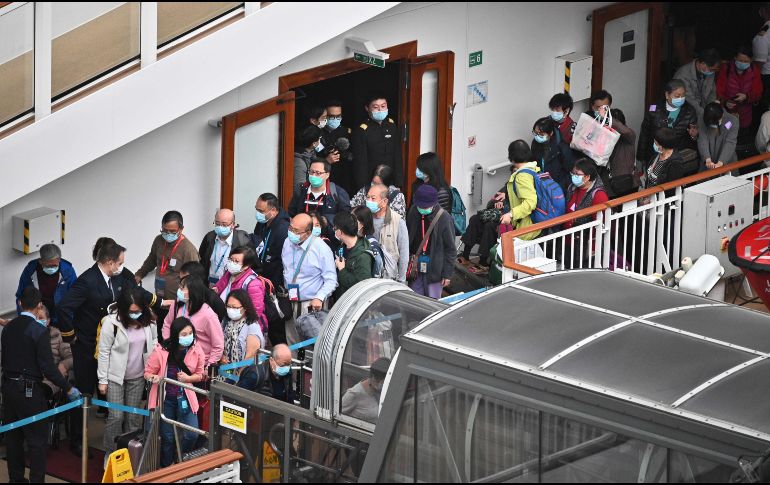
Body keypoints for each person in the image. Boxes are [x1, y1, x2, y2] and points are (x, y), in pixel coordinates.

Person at [56, 240, 146, 457]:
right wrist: (71, 336)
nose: (122, 267)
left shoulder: (118, 278)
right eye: (119, 263)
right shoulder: (87, 281)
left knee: (108, 389)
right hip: (87, 346)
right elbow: (64, 307)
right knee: (85, 393)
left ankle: (117, 436)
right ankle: (78, 439)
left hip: (110, 345)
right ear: (109, 262)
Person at [2, 287, 80, 483]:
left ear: (19, 303)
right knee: (37, 441)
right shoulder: (38, 330)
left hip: (8, 389)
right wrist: (68, 388)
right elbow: (48, 369)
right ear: (39, 306)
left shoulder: (8, 328)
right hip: (29, 392)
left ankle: (16, 479)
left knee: (13, 439)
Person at [97, 288, 158, 460]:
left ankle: (131, 454)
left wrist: (153, 369)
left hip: (138, 377)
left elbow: (154, 342)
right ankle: (111, 452)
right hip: (115, 378)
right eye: (131, 311)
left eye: (138, 311)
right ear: (123, 309)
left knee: (133, 418)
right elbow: (104, 352)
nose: (135, 314)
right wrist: (102, 380)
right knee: (116, 417)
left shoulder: (149, 321)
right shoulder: (111, 323)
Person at [145, 317, 205, 467]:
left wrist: (188, 378)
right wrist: (154, 378)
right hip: (166, 400)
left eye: (190, 333)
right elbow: (147, 372)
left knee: (192, 434)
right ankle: (167, 466)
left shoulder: (196, 349)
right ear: (175, 335)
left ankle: (179, 459)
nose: (188, 337)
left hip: (186, 397)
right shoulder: (161, 350)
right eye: (184, 334)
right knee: (168, 437)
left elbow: (200, 374)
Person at [281, 213, 338, 343]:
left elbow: (331, 280)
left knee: (311, 345)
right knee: (292, 342)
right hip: (291, 302)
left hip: (311, 305)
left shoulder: (321, 248)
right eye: (290, 228)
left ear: (308, 233)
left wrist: (319, 297)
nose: (291, 233)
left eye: (296, 231)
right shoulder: (287, 242)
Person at [134, 211, 200, 318]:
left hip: (177, 304)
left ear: (181, 229)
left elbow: (195, 279)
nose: (168, 234)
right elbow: (151, 260)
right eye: (164, 230)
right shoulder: (158, 240)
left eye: (172, 231)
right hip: (159, 300)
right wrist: (140, 274)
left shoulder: (188, 250)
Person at [406, 185, 455, 299]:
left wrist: (447, 274)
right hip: (416, 266)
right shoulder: (413, 211)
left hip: (436, 270)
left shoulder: (444, 218)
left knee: (432, 302)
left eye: (426, 206)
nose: (422, 208)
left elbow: (450, 249)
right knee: (415, 300)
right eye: (420, 206)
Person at [163, 276, 224, 367]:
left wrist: (208, 367)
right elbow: (167, 324)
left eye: (182, 288)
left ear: (193, 292)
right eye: (179, 287)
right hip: (177, 359)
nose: (179, 290)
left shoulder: (208, 315)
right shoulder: (176, 306)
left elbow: (218, 345)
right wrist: (168, 343)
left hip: (199, 364)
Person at [638, 79, 698, 168]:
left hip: (676, 158)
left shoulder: (690, 111)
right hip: (654, 155)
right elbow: (645, 132)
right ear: (667, 95)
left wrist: (694, 136)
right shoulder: (654, 107)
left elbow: (692, 139)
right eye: (677, 96)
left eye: (683, 95)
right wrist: (641, 157)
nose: (681, 98)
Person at [561, 159, 609, 268]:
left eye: (577, 174)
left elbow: (600, 223)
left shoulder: (598, 195)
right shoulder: (572, 188)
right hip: (569, 241)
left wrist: (592, 247)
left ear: (587, 177)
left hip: (586, 246)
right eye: (572, 173)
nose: (574, 176)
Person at [15, 243, 77, 327]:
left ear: (59, 260)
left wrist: (70, 319)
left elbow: (74, 297)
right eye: (48, 266)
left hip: (60, 316)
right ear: (41, 261)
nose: (51, 268)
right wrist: (24, 319)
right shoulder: (30, 270)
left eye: (54, 265)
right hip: (38, 316)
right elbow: (21, 296)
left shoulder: (68, 271)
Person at [352, 92, 403, 189]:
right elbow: (361, 163)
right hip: (371, 181)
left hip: (390, 179)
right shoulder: (362, 130)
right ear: (367, 108)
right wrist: (363, 187)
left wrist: (399, 182)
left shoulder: (392, 125)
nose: (380, 110)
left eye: (383, 106)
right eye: (376, 107)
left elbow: (397, 155)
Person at [213, 245, 268, 334]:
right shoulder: (228, 274)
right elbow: (218, 288)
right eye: (231, 259)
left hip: (245, 328)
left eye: (236, 261)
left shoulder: (253, 283)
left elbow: (256, 312)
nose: (232, 263)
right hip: (228, 322)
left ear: (246, 266)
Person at [220, 289, 266, 391]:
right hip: (227, 371)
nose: (231, 309)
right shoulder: (226, 322)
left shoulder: (252, 326)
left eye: (235, 307)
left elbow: (250, 356)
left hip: (244, 375)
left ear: (245, 308)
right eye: (228, 306)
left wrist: (237, 379)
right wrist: (221, 357)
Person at [365, 183, 410, 282]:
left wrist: (401, 280)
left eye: (373, 198)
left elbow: (404, 253)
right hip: (367, 277)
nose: (369, 201)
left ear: (384, 201)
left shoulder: (397, 221)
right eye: (367, 197)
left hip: (388, 278)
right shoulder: (364, 218)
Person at [288, 159, 351, 227]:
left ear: (327, 175)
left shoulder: (338, 193)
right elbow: (292, 214)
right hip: (304, 231)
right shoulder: (301, 191)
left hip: (327, 232)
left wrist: (327, 221)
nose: (313, 175)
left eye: (318, 173)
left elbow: (345, 218)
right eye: (311, 172)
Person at [500, 140, 541, 241]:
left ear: (511, 157)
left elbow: (530, 202)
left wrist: (511, 214)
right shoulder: (534, 169)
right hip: (536, 223)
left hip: (527, 228)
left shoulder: (522, 176)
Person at [198, 209, 252, 285]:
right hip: (210, 285)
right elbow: (202, 261)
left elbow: (252, 267)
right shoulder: (209, 237)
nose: (220, 227)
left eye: (224, 224)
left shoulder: (243, 241)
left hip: (232, 286)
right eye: (217, 223)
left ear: (233, 224)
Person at [716, 45, 763, 132]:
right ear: (735, 58)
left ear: (751, 60)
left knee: (742, 133)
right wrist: (725, 102)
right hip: (728, 113)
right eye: (740, 60)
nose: (743, 63)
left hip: (745, 114)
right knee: (727, 131)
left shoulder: (754, 70)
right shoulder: (726, 69)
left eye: (746, 61)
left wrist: (746, 96)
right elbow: (719, 90)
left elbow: (758, 92)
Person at [333, 210, 374, 299]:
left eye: (335, 228)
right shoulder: (342, 247)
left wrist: (342, 270)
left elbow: (362, 286)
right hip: (341, 298)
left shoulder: (363, 256)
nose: (334, 231)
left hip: (353, 302)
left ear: (340, 232)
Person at [253, 193, 291, 288]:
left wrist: (275, 284)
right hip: (260, 274)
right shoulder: (262, 222)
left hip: (275, 280)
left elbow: (283, 261)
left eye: (261, 211)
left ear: (273, 210)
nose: (258, 214)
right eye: (256, 209)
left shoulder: (283, 229)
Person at [531, 116, 574, 191]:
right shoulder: (535, 143)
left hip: (558, 187)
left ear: (550, 133)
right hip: (542, 185)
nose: (537, 136)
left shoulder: (562, 148)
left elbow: (570, 173)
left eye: (541, 134)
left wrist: (558, 187)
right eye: (535, 133)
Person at [341, 357, 390, 423]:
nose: (382, 384)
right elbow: (338, 416)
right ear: (373, 377)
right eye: (378, 381)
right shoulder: (354, 394)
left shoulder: (382, 392)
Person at [673, 48, 721, 114]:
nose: (713, 72)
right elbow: (690, 101)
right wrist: (705, 115)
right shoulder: (683, 75)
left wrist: (712, 108)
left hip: (705, 110)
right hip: (687, 112)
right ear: (703, 64)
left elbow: (712, 93)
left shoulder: (709, 72)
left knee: (730, 118)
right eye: (712, 69)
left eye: (714, 70)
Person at [323, 99, 355, 195]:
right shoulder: (318, 133)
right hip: (325, 178)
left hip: (344, 178)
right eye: (331, 116)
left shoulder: (347, 132)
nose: (335, 119)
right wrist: (325, 160)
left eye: (338, 116)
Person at [606, 108, 639, 197]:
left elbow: (624, 130)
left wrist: (609, 120)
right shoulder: (606, 136)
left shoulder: (629, 135)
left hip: (627, 181)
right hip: (611, 182)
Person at [643, 127, 687, 192]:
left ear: (662, 146)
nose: (654, 144)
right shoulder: (657, 154)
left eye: (655, 143)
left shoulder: (675, 162)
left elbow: (671, 188)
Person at [698, 102, 739, 171]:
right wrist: (707, 159)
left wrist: (721, 162)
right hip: (708, 162)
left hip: (727, 160)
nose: (713, 126)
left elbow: (730, 143)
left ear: (722, 115)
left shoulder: (732, 121)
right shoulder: (702, 118)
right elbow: (702, 140)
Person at [293, 124, 324, 190]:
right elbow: (299, 190)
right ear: (314, 143)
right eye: (319, 138)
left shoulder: (311, 153)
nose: (320, 140)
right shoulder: (299, 163)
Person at [754, 4, 770, 110]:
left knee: (765, 111)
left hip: (766, 78)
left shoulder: (764, 34)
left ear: (763, 11)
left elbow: (758, 64)